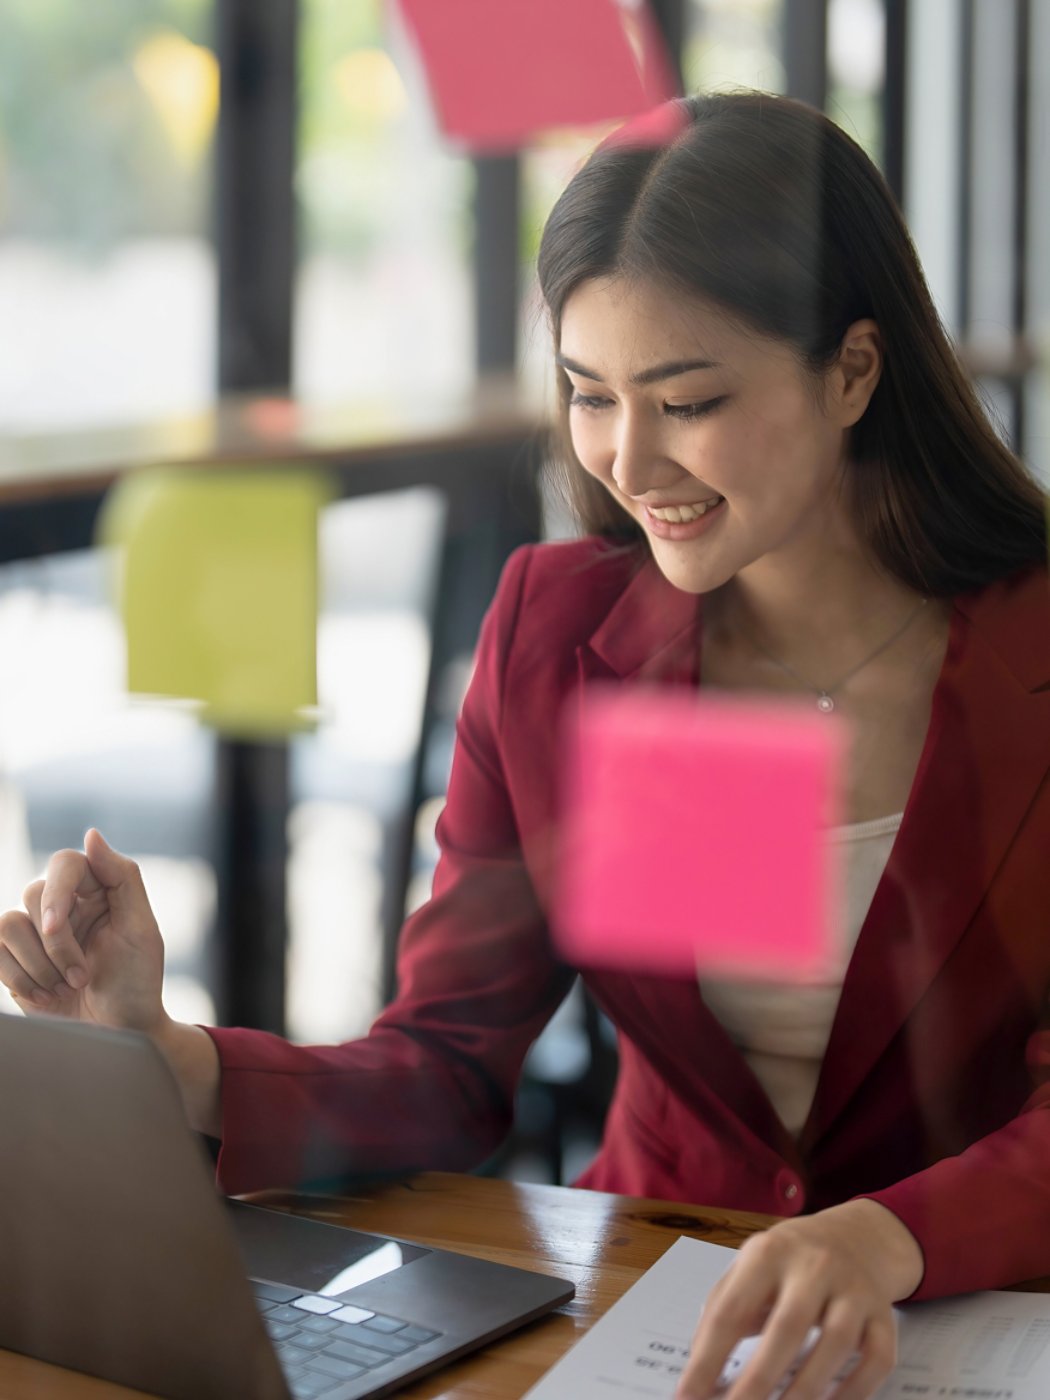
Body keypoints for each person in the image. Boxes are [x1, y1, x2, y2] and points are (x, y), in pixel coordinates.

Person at [2, 91, 1049, 1400]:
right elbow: (447, 1069)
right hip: (659, 1320)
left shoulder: (1025, 647)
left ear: (852, 368)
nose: (626, 457)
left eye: (688, 398)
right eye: (587, 394)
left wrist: (887, 1234)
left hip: (979, 1314)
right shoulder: (565, 644)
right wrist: (172, 1060)